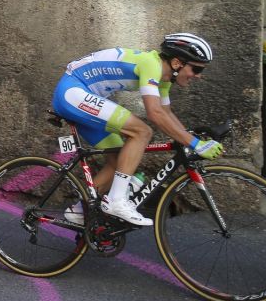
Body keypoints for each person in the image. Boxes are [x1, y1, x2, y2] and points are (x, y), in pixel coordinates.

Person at [52, 33, 224, 226]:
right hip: (73, 92)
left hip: (83, 96)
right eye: (197, 68)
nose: (199, 76)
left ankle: (79, 212)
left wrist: (191, 139)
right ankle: (116, 201)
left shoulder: (164, 80)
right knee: (142, 132)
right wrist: (194, 144)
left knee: (118, 160)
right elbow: (155, 113)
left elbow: (166, 113)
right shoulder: (151, 65)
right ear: (177, 63)